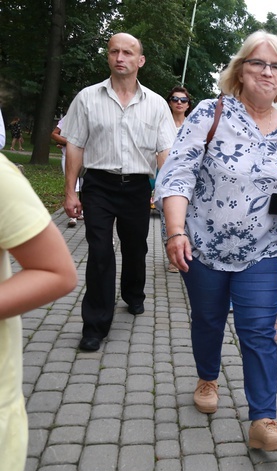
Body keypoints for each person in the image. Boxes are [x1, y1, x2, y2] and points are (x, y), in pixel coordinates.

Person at [155, 30, 277, 452]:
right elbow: (178, 174)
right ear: (240, 70)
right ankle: (207, 377)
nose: (267, 72)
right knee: (208, 320)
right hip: (203, 243)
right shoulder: (210, 113)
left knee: (258, 330)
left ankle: (263, 419)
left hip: (265, 249)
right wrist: (176, 231)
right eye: (258, 62)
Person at [61, 33, 175, 352]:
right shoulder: (87, 98)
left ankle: (133, 294)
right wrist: (71, 191)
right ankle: (95, 325)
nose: (120, 57)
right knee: (99, 252)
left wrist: (164, 194)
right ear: (108, 57)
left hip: (138, 187)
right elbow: (75, 145)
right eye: (114, 51)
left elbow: (165, 152)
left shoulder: (155, 104)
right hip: (98, 184)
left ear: (140, 61)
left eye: (127, 52)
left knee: (135, 247)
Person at [0, 153, 77, 471]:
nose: (180, 100)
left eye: (184, 97)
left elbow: (56, 271)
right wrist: (70, 190)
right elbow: (73, 142)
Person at [163, 86, 193, 272]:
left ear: (188, 105)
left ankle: (184, 253)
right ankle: (172, 255)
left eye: (183, 100)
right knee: (167, 218)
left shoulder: (194, 125)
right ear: (169, 102)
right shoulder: (163, 125)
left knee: (186, 217)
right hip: (165, 175)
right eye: (175, 99)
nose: (179, 103)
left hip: (187, 177)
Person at [52, 115, 82, 228]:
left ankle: (82, 211)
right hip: (69, 156)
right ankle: (72, 216)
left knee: (86, 186)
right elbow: (54, 134)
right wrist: (68, 142)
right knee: (72, 184)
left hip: (89, 158)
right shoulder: (69, 117)